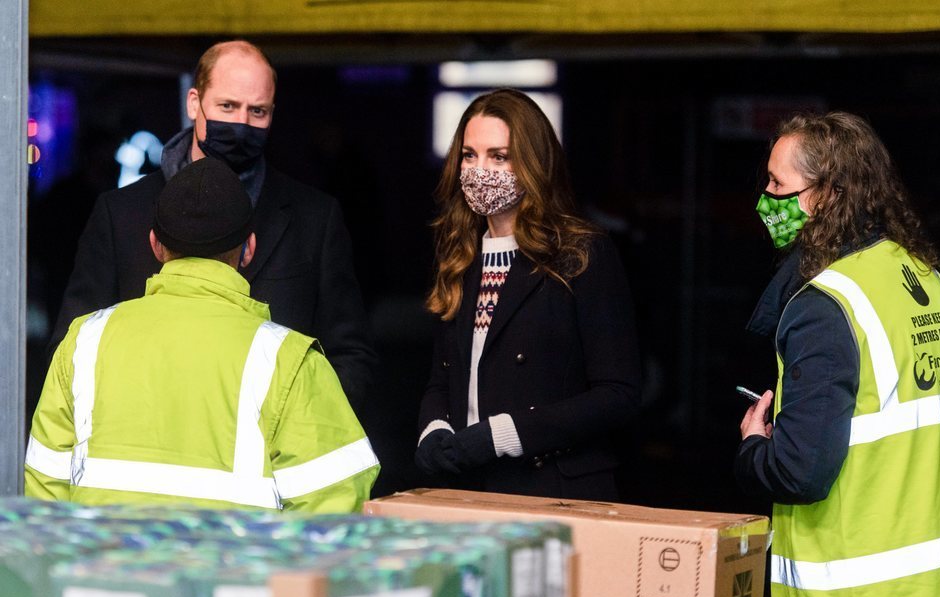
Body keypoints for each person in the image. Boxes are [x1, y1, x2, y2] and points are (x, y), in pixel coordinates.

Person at [736, 111, 940, 597]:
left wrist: (754, 446)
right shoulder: (923, 283)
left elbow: (802, 468)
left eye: (778, 187)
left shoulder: (824, 305)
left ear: (828, 194)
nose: (767, 201)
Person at [25, 157, 379, 513]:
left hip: (100, 567)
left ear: (155, 245)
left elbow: (45, 497)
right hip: (236, 569)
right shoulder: (291, 361)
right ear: (249, 249)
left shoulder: (83, 343)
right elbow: (333, 511)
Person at [48, 40, 376, 413]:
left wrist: (294, 426)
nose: (241, 123)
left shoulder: (314, 218)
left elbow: (351, 356)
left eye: (258, 111)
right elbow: (72, 350)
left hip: (272, 460)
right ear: (194, 103)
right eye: (227, 106)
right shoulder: (120, 214)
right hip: (150, 453)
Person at [415, 88, 642, 502]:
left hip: (555, 490)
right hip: (474, 488)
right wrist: (433, 430)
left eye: (499, 156)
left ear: (532, 162)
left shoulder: (581, 253)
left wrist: (504, 434)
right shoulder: (460, 254)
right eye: (469, 155)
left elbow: (618, 394)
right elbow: (441, 378)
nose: (480, 170)